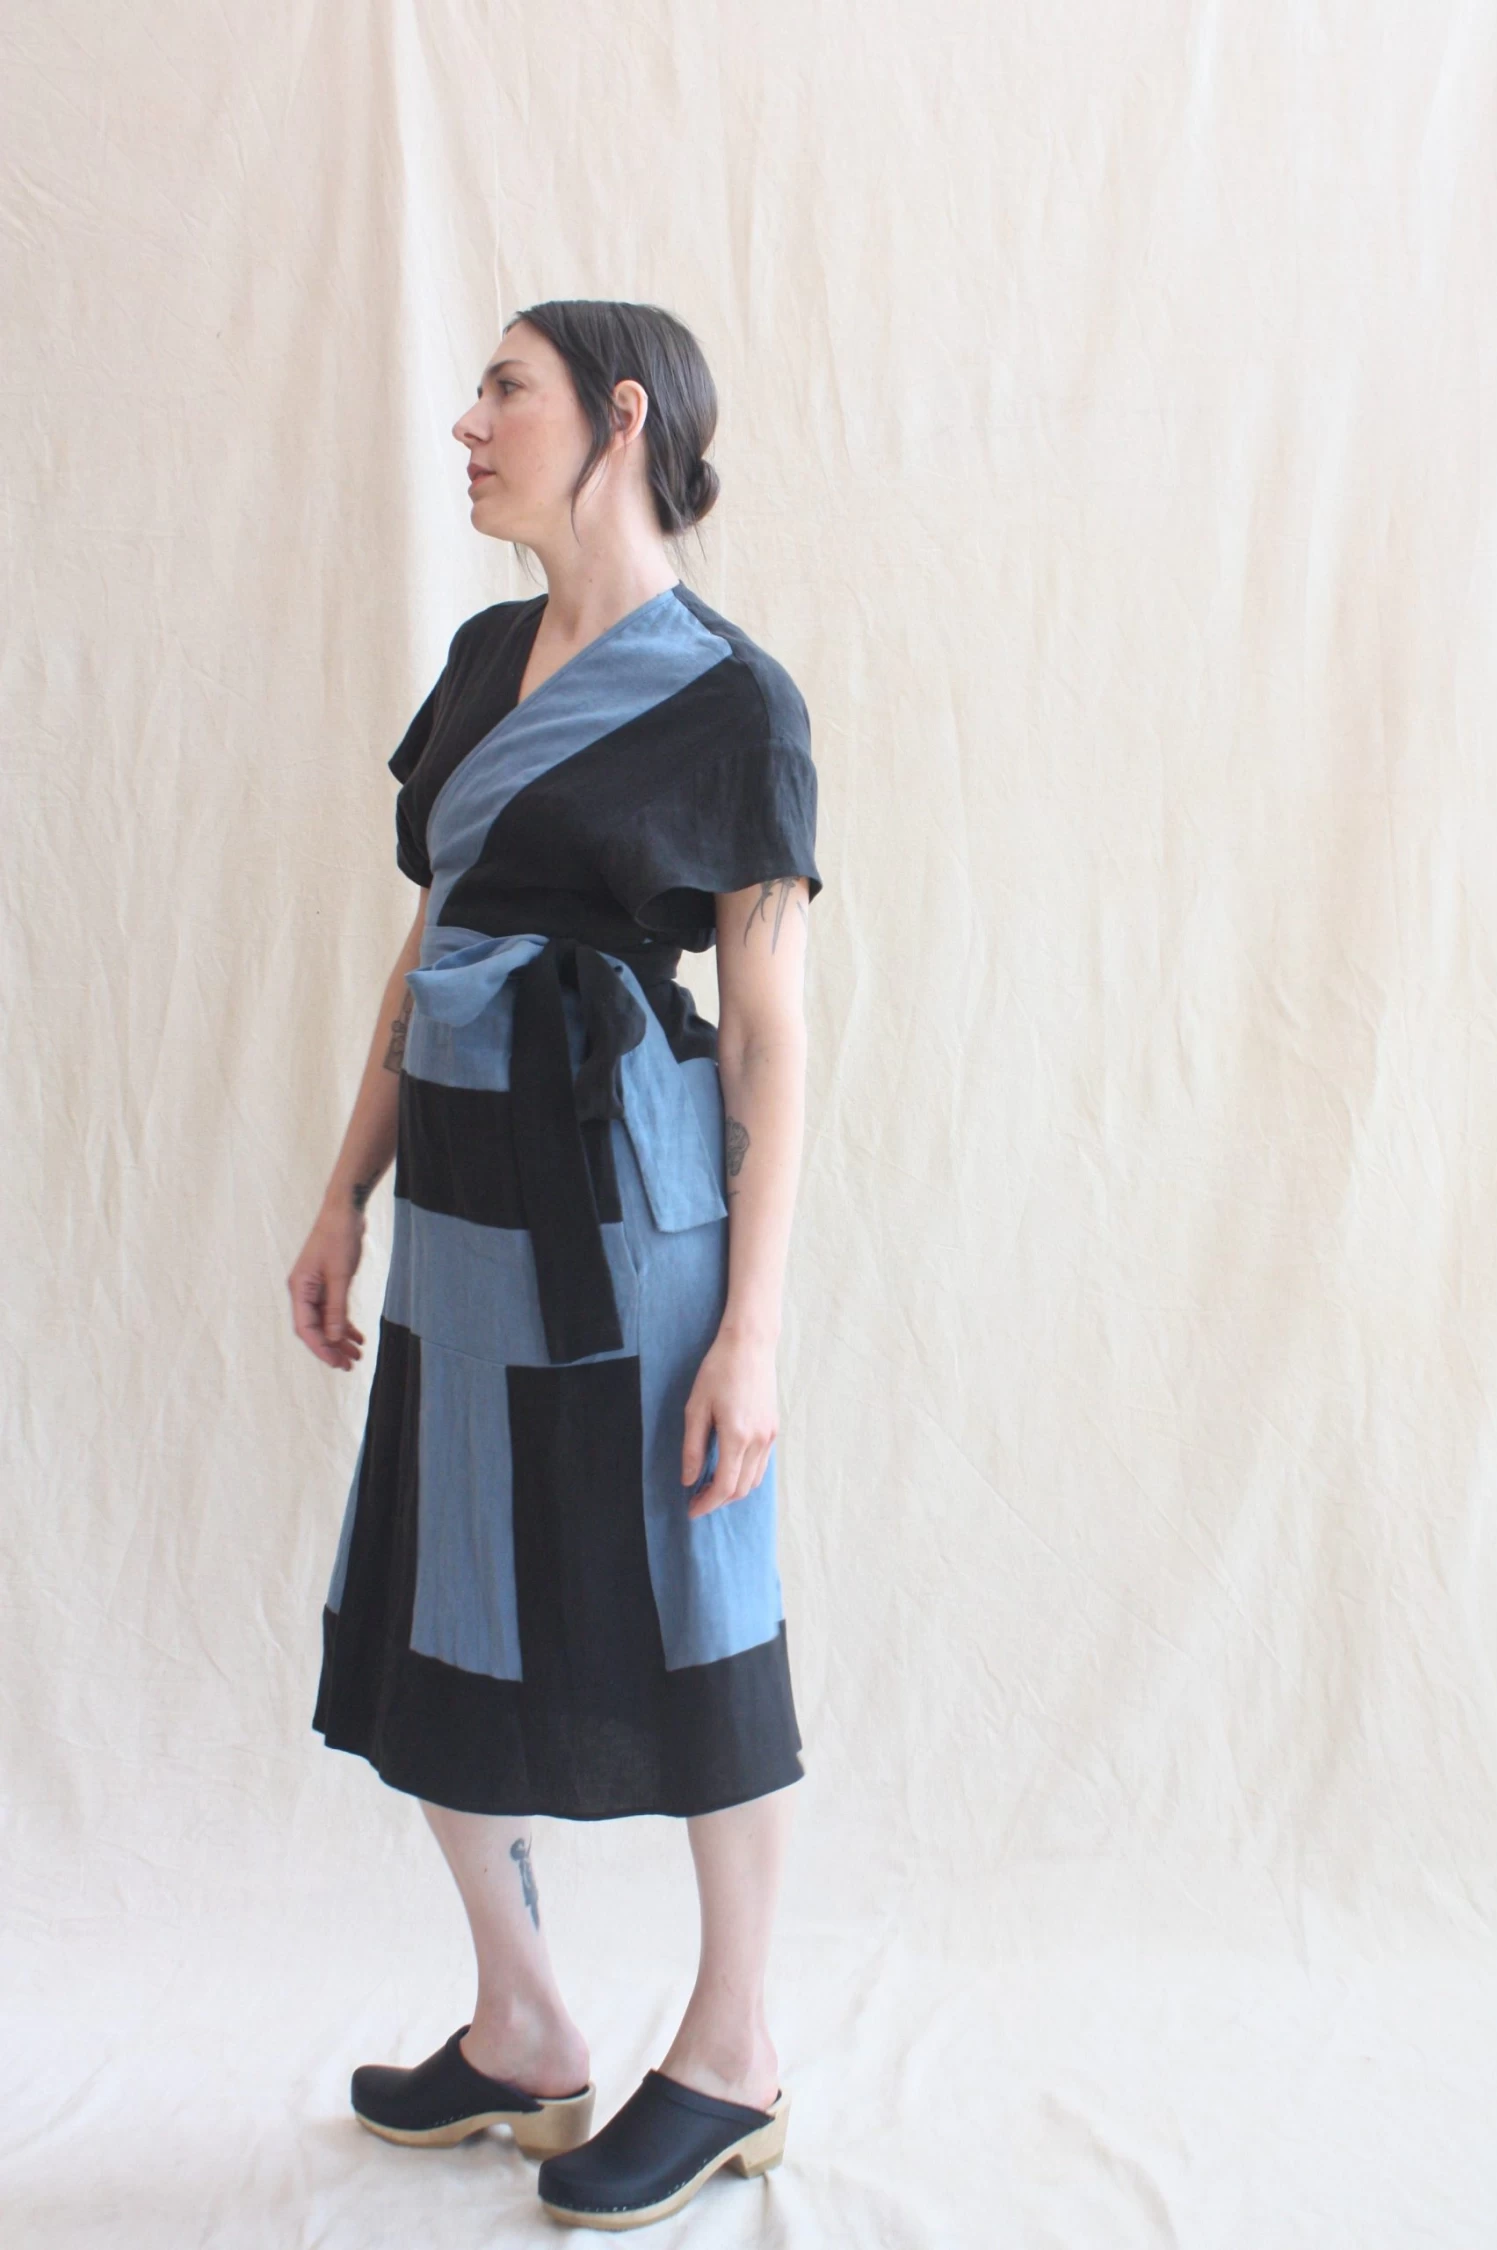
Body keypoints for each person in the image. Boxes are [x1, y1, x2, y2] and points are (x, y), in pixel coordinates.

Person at [285, 299, 823, 2231]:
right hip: (462, 1212)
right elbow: (433, 944)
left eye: (502, 388)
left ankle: (734, 2050)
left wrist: (751, 1327)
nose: (467, 421)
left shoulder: (736, 700)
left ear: (619, 416)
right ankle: (523, 2023)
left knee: (692, 1603)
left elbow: (769, 1030)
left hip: (635, 1217)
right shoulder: (478, 662)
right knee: (445, 1601)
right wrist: (345, 1190)